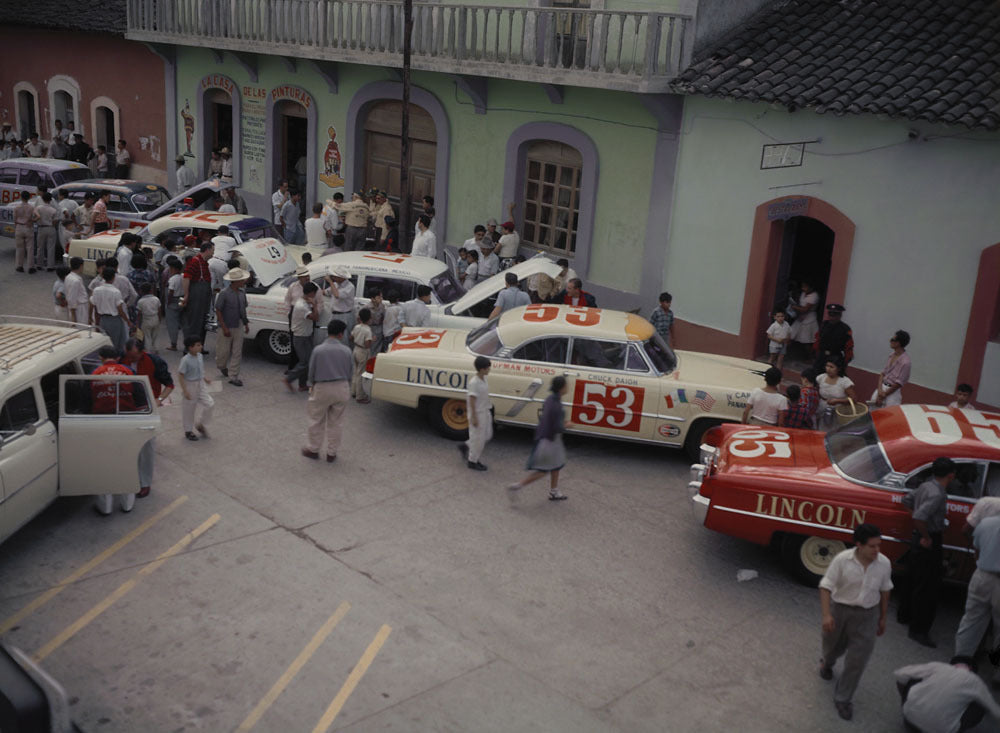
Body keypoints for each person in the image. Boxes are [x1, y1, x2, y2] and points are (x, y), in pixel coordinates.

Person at [818, 523, 893, 722]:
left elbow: (885, 590)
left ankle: (843, 698)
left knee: (858, 660)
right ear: (859, 545)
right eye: (872, 546)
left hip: (868, 615)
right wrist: (827, 615)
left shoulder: (884, 563)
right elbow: (825, 587)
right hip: (840, 611)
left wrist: (882, 617)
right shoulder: (842, 560)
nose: (877, 550)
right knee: (832, 646)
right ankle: (827, 662)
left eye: (879, 545)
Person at [898, 457, 955, 648]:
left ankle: (904, 615)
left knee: (913, 578)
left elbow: (907, 501)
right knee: (928, 588)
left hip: (918, 537)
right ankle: (919, 630)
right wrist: (926, 535)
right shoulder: (938, 494)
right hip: (929, 538)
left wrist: (918, 528)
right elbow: (920, 515)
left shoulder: (926, 485)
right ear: (951, 475)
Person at [120, 338, 174, 498]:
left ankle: (145, 483)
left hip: (147, 407)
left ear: (141, 352)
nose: (131, 360)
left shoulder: (155, 362)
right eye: (129, 356)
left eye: (134, 357)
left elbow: (169, 385)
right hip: (126, 406)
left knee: (147, 447)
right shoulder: (122, 359)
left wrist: (159, 400)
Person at [506, 376, 571, 501]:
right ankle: (516, 486)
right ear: (562, 388)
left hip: (548, 438)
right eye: (566, 385)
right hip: (550, 440)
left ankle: (554, 491)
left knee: (556, 465)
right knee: (543, 470)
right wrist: (566, 424)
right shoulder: (556, 404)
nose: (568, 387)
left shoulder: (550, 399)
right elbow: (558, 427)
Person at [895, 656, 1000, 733]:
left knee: (913, 678)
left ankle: (915, 709)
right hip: (942, 730)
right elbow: (993, 709)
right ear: (971, 670)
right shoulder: (975, 681)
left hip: (909, 720)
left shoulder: (938, 666)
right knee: (980, 706)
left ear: (952, 664)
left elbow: (900, 674)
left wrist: (907, 699)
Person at [91, 346, 139, 514]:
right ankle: (127, 504)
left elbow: (86, 400)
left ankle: (105, 507)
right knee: (127, 461)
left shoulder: (94, 373)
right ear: (117, 358)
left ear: (101, 357)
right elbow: (140, 397)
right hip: (127, 421)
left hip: (103, 422)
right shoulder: (129, 372)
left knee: (104, 464)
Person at [954, 514, 1000, 676]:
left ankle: (961, 663)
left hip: (982, 576)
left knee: (971, 621)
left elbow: (977, 549)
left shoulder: (986, 523)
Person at [303, 320, 354, 462]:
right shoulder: (347, 351)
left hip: (322, 388)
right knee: (336, 422)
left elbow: (311, 371)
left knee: (316, 419)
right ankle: (332, 453)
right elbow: (351, 372)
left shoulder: (318, 350)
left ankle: (313, 449)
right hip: (342, 387)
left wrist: (310, 385)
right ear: (340, 334)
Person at [214, 267, 250, 386]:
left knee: (237, 352)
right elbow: (218, 310)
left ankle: (233, 375)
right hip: (226, 325)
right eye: (241, 280)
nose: (243, 282)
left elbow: (243, 310)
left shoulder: (242, 293)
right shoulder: (224, 293)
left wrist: (245, 323)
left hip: (238, 324)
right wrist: (224, 327)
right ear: (235, 281)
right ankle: (222, 366)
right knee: (223, 351)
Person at [283, 282, 321, 392]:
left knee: (307, 361)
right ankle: (289, 379)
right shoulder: (302, 306)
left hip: (306, 334)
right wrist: (314, 305)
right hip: (301, 337)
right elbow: (315, 318)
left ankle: (302, 384)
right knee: (305, 362)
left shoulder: (304, 302)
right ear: (311, 293)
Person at [459, 357, 493, 471]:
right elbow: (472, 400)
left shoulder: (484, 379)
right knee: (478, 439)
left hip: (485, 411)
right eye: (488, 367)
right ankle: (472, 461)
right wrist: (474, 417)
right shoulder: (474, 383)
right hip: (477, 413)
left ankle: (466, 446)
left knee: (487, 435)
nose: (489, 369)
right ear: (482, 369)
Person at [178, 336, 213, 441]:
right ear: (190, 347)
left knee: (210, 404)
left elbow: (201, 369)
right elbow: (181, 375)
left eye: (200, 344)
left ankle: (201, 424)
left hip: (200, 383)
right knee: (189, 409)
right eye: (198, 345)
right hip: (190, 385)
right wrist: (185, 390)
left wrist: (205, 378)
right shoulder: (185, 360)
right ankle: (188, 431)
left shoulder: (200, 356)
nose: (201, 346)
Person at [90, 267, 132, 353]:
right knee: (115, 344)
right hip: (114, 321)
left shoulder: (97, 290)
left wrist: (94, 321)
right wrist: (127, 321)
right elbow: (120, 310)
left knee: (105, 344)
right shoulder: (115, 292)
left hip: (102, 320)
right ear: (113, 277)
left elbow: (94, 306)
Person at [181, 241, 214, 345]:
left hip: (204, 296)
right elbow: (186, 278)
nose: (213, 253)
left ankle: (199, 346)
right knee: (194, 322)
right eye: (213, 250)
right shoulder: (195, 261)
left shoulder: (204, 262)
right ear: (207, 250)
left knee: (203, 321)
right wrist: (186, 295)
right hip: (196, 296)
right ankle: (190, 347)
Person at [872, 330, 911, 407]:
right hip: (881, 388)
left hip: (892, 393)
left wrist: (884, 395)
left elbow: (898, 383)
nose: (890, 341)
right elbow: (883, 373)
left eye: (893, 339)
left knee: (888, 416)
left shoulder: (906, 362)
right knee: (872, 413)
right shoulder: (891, 355)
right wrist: (880, 390)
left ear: (898, 343)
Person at [816, 358, 856, 431]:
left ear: (839, 369)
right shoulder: (821, 378)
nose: (828, 369)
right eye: (827, 366)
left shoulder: (845, 382)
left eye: (831, 367)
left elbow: (853, 399)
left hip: (838, 411)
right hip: (823, 408)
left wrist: (837, 401)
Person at [814, 303, 854, 372]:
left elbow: (849, 347)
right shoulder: (824, 324)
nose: (832, 317)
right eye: (830, 314)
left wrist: (845, 362)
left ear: (840, 315)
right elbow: (817, 340)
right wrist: (816, 354)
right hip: (821, 356)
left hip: (835, 357)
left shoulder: (845, 329)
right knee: (816, 376)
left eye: (835, 315)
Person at [788, 281, 820, 354]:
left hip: (809, 319)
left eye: (805, 287)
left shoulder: (814, 296)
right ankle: (782, 354)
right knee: (790, 335)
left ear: (811, 288)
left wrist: (794, 307)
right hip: (800, 318)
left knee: (807, 341)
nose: (803, 288)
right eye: (802, 286)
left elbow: (805, 309)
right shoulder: (803, 293)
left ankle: (810, 358)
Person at [350, 308, 373, 402]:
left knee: (355, 372)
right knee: (361, 373)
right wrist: (372, 340)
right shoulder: (368, 330)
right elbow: (367, 344)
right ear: (369, 319)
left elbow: (351, 337)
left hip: (355, 349)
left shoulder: (357, 327)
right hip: (363, 351)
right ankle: (360, 396)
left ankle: (353, 391)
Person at [326, 266, 356, 336]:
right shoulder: (336, 285)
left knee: (343, 337)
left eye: (334, 276)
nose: (333, 278)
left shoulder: (349, 287)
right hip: (334, 315)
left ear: (341, 278)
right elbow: (327, 292)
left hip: (344, 316)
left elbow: (337, 295)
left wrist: (330, 282)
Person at [13, 190, 37, 273]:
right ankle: (30, 267)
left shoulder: (16, 207)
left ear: (21, 197)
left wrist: (17, 227)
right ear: (29, 198)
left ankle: (19, 266)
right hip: (28, 227)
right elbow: (37, 216)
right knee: (30, 248)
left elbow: (15, 219)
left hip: (19, 227)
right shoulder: (31, 207)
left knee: (19, 248)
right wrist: (32, 221)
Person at [34, 191, 59, 271]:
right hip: (51, 228)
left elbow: (34, 216)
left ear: (42, 199)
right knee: (51, 247)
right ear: (50, 200)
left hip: (41, 228)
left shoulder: (38, 208)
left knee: (40, 247)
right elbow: (55, 221)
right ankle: (50, 266)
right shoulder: (53, 210)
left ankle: (39, 264)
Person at [164, 258, 185, 350]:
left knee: (172, 324)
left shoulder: (172, 279)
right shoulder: (183, 276)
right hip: (182, 299)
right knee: (183, 322)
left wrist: (168, 302)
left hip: (173, 300)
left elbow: (171, 292)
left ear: (174, 269)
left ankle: (173, 344)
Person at [135, 283, 162, 352]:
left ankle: (148, 351)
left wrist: (138, 324)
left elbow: (139, 314)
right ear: (151, 290)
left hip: (146, 320)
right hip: (155, 318)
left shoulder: (140, 301)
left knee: (147, 337)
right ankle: (156, 349)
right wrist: (159, 319)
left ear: (141, 291)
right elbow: (159, 311)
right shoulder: (156, 299)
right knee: (156, 335)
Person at [65, 257, 90, 324]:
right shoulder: (75, 281)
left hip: (79, 307)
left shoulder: (69, 277)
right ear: (81, 266)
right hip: (79, 310)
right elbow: (72, 299)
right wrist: (74, 317)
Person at [366, 288, 385, 355]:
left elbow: (382, 317)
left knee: (378, 348)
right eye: (379, 297)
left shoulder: (382, 306)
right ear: (372, 299)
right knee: (371, 348)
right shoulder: (367, 308)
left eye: (381, 297)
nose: (381, 299)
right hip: (370, 328)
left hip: (379, 328)